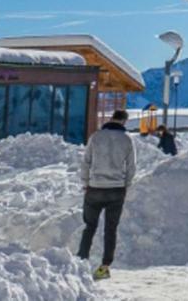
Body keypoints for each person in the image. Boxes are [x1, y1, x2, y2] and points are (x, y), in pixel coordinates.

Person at [78, 110, 136, 281]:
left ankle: (81, 262)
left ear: (112, 119)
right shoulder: (127, 140)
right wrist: (126, 185)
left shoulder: (96, 137)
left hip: (95, 188)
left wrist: (86, 182)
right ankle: (104, 267)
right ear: (124, 121)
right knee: (111, 229)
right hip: (116, 190)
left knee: (89, 227)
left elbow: (86, 161)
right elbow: (131, 167)